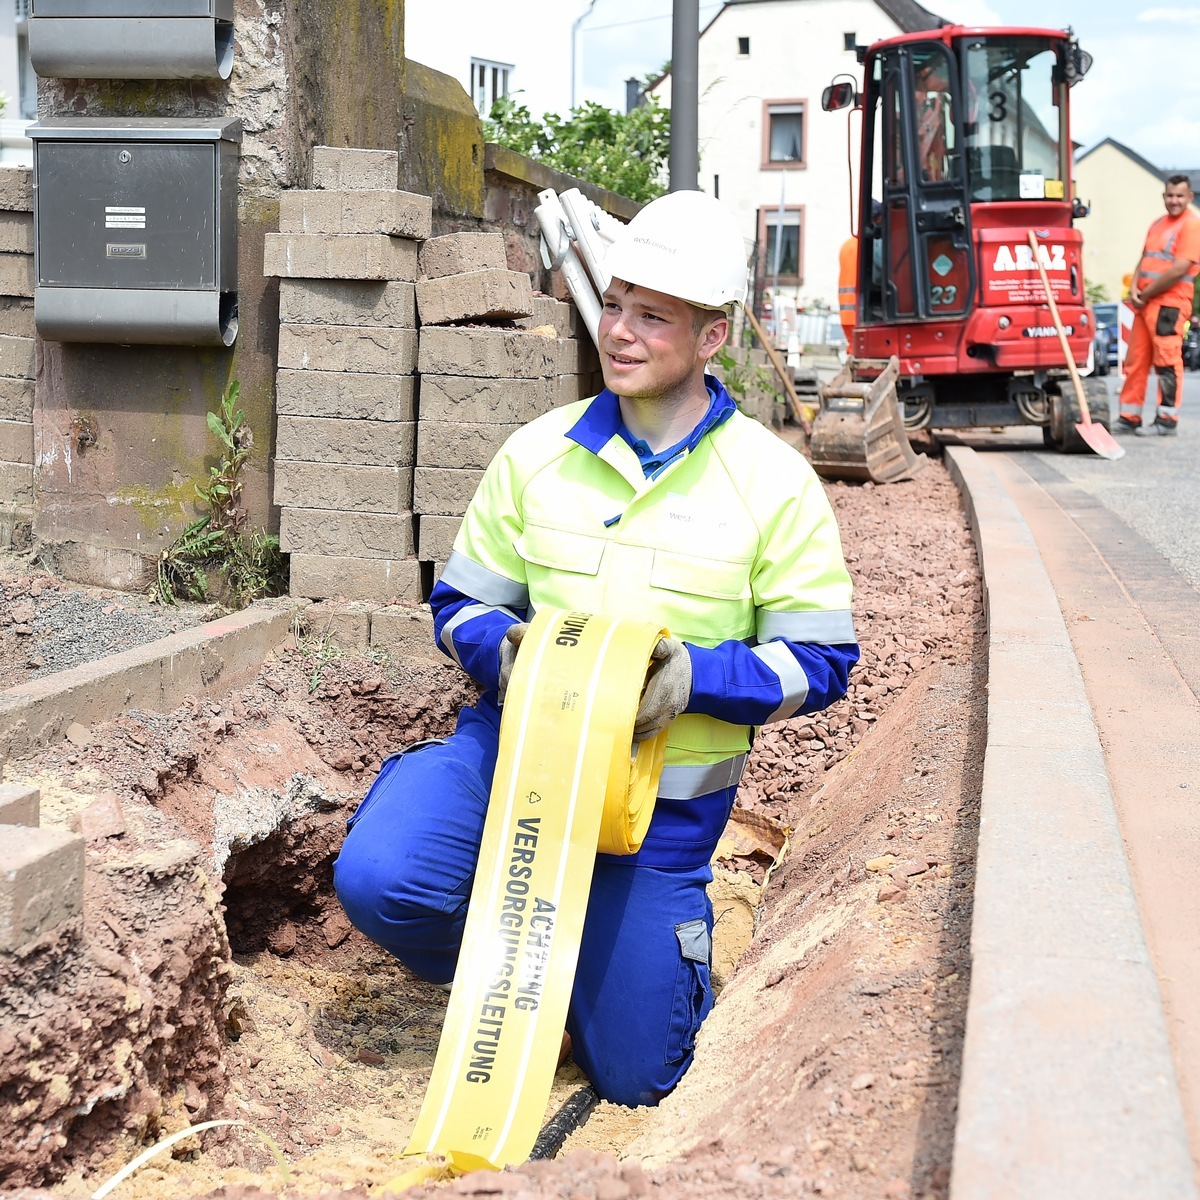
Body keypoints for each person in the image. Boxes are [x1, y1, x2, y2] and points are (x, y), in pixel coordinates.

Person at [333, 190, 860, 1108]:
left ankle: (601, 977)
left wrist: (695, 677)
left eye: (653, 316)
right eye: (615, 304)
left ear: (710, 339)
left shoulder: (774, 484)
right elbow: (461, 601)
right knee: (386, 880)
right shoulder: (537, 454)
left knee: (637, 1076)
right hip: (512, 767)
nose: (619, 331)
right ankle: (532, 979)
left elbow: (820, 661)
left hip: (657, 824)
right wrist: (514, 653)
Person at [1116, 174, 1200, 435]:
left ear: (1190, 197)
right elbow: (1144, 258)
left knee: (1166, 360)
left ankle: (1166, 420)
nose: (1174, 201)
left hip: (1170, 303)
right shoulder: (1157, 224)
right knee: (1136, 360)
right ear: (1163, 196)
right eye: (1169, 195)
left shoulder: (1191, 225)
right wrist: (1133, 288)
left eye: (1179, 196)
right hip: (1146, 302)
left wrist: (1146, 292)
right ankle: (1129, 416)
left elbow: (1180, 269)